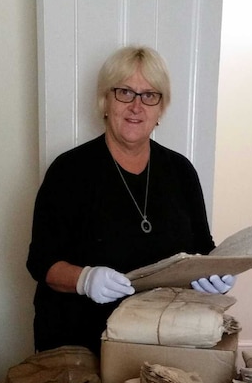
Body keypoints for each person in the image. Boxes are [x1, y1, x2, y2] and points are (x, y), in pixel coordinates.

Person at [26, 45, 235, 356]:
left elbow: (202, 246)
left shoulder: (181, 171)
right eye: (125, 92)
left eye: (149, 95)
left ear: (160, 108)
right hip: (81, 344)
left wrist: (217, 272)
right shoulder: (69, 170)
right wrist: (85, 279)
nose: (137, 106)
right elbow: (40, 261)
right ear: (106, 101)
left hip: (163, 339)